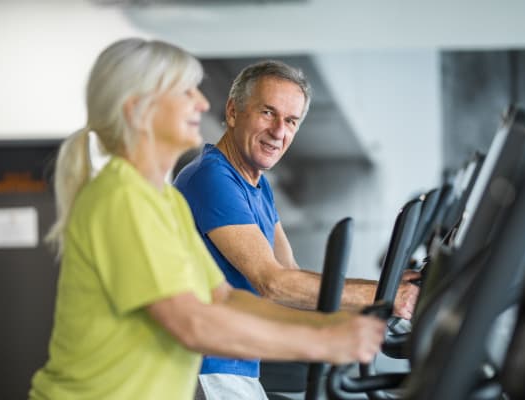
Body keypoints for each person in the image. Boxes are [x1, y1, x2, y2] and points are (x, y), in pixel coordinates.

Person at [28, 39, 387, 400]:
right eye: (185, 92)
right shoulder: (123, 197)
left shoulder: (163, 199)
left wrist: (334, 324)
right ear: (139, 108)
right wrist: (322, 340)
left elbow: (225, 298)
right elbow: (191, 322)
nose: (201, 103)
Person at [173, 60, 421, 398]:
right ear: (233, 112)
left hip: (235, 368)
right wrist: (386, 295)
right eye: (267, 113)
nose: (279, 131)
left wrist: (383, 293)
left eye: (291, 121)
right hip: (205, 369)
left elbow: (289, 275)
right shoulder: (212, 177)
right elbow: (273, 283)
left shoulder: (258, 186)